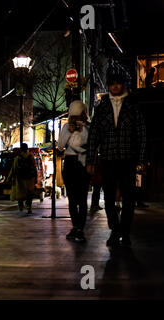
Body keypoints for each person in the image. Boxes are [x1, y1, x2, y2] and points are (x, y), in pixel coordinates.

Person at [87, 73, 146, 247]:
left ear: (123, 85)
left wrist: (141, 159)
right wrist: (90, 160)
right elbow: (94, 135)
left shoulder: (132, 106)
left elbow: (141, 133)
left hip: (128, 158)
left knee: (128, 198)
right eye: (112, 84)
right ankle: (115, 229)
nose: (115, 87)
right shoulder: (102, 106)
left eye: (118, 84)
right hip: (108, 158)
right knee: (110, 197)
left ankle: (125, 232)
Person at [58, 100, 90, 242]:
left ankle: (80, 228)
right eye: (74, 116)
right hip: (70, 162)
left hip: (82, 163)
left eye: (79, 116)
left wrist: (82, 130)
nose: (76, 119)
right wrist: (69, 132)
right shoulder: (66, 127)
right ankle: (76, 226)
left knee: (82, 198)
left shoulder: (88, 127)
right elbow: (60, 145)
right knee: (71, 198)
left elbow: (89, 144)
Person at [7, 143, 37, 214]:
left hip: (20, 179)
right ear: (27, 149)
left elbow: (13, 169)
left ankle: (20, 206)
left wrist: (9, 178)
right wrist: (35, 178)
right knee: (30, 193)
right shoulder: (31, 157)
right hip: (30, 179)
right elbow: (34, 168)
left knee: (20, 194)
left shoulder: (18, 158)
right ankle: (29, 206)